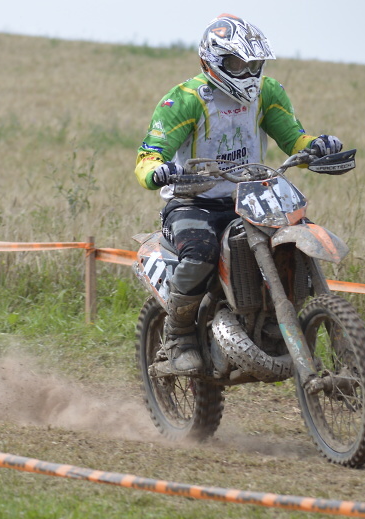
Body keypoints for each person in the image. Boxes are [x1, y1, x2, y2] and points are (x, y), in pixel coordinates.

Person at [134, 13, 343, 375]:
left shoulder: (267, 92)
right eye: (236, 63)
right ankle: (179, 336)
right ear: (212, 61)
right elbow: (149, 154)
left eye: (253, 64)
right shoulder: (183, 100)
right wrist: (157, 171)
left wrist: (316, 146)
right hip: (193, 201)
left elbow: (293, 138)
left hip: (251, 196)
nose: (247, 72)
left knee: (294, 233)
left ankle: (284, 320)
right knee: (200, 253)